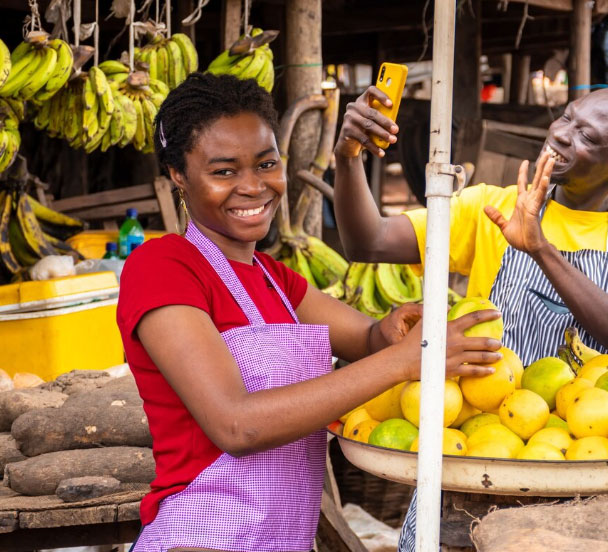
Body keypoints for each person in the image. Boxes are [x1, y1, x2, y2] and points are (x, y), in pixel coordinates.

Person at [116, 73, 502, 552]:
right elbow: (237, 425)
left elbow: (367, 341)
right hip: (200, 533)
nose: (254, 187)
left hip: (284, 539)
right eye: (224, 171)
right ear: (179, 175)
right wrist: (405, 360)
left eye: (266, 163)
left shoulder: (276, 279)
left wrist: (394, 329)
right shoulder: (160, 267)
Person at [332, 86, 608, 551]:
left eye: (587, 136)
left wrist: (540, 248)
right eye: (565, 117)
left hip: (583, 468)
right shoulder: (490, 208)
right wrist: (348, 157)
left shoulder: (532, 227)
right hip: (469, 455)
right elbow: (369, 241)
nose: (560, 135)